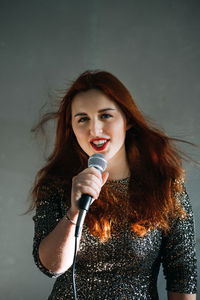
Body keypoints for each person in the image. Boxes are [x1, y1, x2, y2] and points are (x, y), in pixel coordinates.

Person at [31, 70, 197, 299]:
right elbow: (50, 267)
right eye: (83, 119)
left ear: (127, 120)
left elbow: (183, 274)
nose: (95, 130)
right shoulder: (56, 184)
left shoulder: (164, 184)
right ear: (72, 128)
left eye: (105, 116)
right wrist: (74, 211)